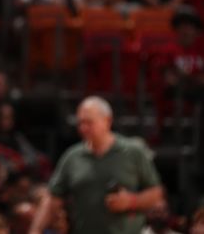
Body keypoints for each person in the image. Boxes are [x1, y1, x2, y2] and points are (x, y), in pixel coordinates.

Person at [29, 96, 164, 234]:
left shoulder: (132, 152)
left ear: (107, 121)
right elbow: (52, 198)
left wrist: (131, 201)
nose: (83, 128)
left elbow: (156, 194)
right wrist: (35, 230)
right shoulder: (72, 157)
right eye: (80, 123)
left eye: (89, 122)